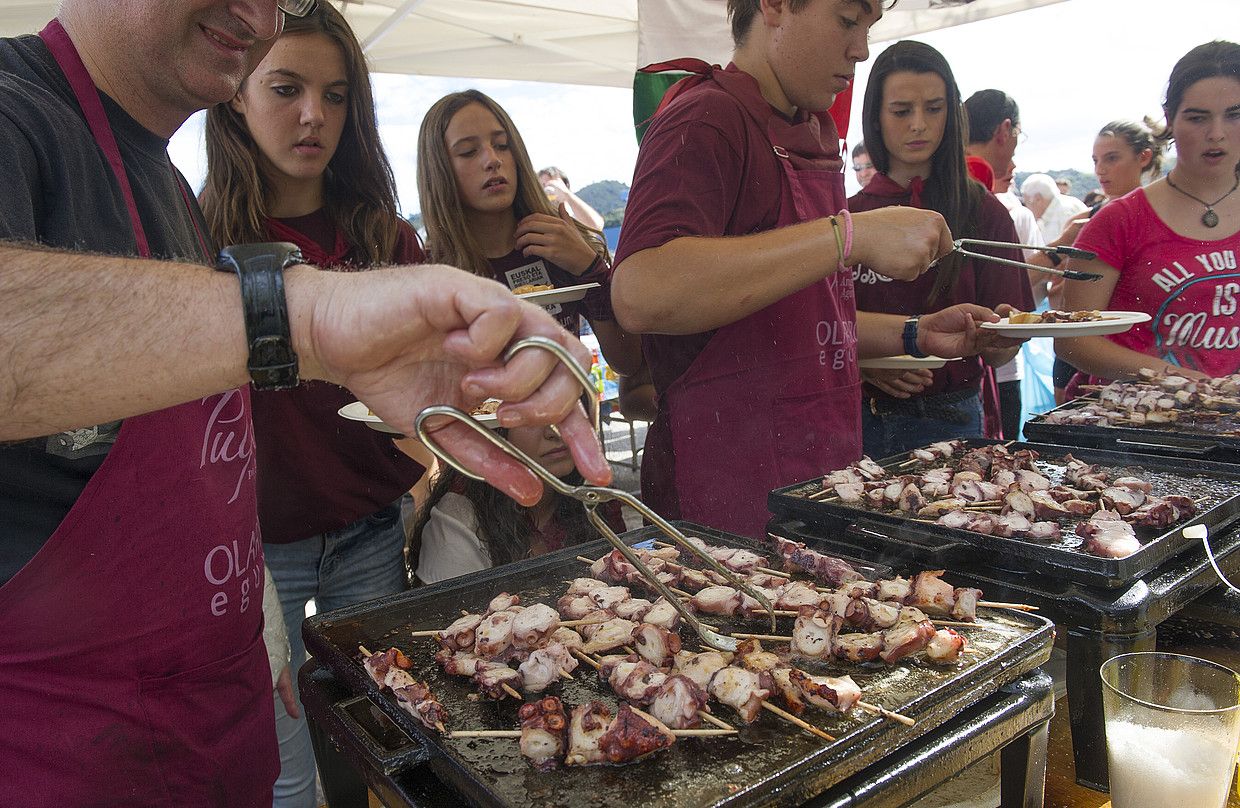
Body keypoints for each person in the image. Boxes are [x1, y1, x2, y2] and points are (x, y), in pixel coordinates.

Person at [0, 2, 609, 805]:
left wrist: (253, 612)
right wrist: (306, 317)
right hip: (70, 753)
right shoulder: (18, 109)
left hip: (209, 719)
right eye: (284, 87)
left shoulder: (162, 184)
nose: (257, 13)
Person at [611, 0, 1009, 538]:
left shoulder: (811, 130)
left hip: (820, 477)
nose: (861, 50)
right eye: (847, 21)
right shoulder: (708, 117)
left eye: (868, 28)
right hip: (730, 500)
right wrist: (851, 236)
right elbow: (641, 290)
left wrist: (912, 333)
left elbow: (801, 317)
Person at [198, 6, 433, 806]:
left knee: (392, 738)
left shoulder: (385, 233)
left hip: (370, 523)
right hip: (252, 548)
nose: (313, 116)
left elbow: (426, 382)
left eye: (336, 96)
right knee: (284, 767)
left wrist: (422, 477)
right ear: (236, 92)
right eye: (287, 88)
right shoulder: (199, 239)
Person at [849, 41, 1032, 456]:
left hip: (954, 411)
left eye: (934, 108)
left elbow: (1009, 340)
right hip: (858, 410)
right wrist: (864, 363)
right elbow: (820, 325)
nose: (918, 124)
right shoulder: (849, 218)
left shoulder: (984, 211)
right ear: (875, 116)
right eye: (901, 111)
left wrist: (1003, 334)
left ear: (952, 114)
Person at [418, 90, 641, 377]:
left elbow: (629, 362)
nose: (492, 159)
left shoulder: (560, 243)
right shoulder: (428, 271)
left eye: (502, 145)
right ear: (439, 169)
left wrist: (591, 269)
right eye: (468, 151)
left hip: (564, 417)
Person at [1058, 40, 1240, 383]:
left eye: (1235, 114)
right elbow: (1073, 340)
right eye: (1197, 118)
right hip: (1135, 422)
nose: (1217, 134)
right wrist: (1185, 380)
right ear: (1170, 120)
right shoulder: (1118, 221)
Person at [414, 423, 627, 585]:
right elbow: (452, 622)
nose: (555, 431)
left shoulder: (594, 495)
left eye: (566, 408)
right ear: (492, 429)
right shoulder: (459, 518)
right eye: (529, 417)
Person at [1047, 120, 1163, 401]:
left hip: (1154, 365)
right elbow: (1055, 301)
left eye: (1111, 158)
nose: (1100, 170)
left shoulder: (1166, 221)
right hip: (1089, 366)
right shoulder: (1085, 222)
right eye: (1096, 160)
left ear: (1143, 157)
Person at [1019, 172, 1088, 243]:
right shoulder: (1060, 206)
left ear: (1038, 199)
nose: (1027, 207)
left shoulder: (1064, 212)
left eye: (1026, 202)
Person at [538, 165, 606, 229]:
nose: (547, 189)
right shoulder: (539, 216)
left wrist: (566, 194)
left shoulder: (575, 211)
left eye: (552, 184)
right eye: (542, 186)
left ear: (565, 185)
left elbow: (596, 226)